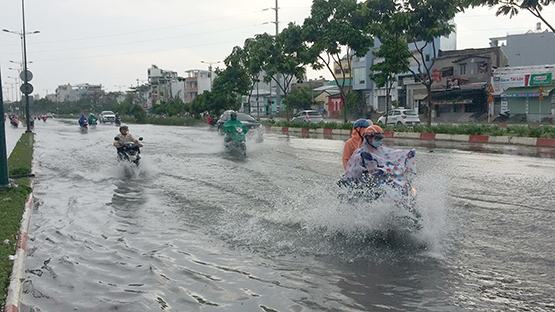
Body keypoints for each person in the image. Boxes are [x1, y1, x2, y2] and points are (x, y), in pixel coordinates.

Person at [344, 125, 415, 184]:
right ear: (368, 138)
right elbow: (355, 172)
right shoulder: (360, 154)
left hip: (382, 180)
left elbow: (392, 154)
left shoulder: (381, 150)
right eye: (377, 139)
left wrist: (407, 155)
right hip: (365, 183)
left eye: (381, 138)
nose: (380, 141)